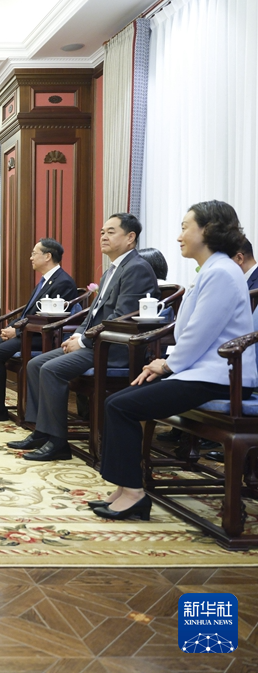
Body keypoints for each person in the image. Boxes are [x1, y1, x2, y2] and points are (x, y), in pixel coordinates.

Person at [90, 201, 256, 520]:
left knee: (121, 407)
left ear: (208, 230)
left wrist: (166, 365)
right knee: (116, 402)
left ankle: (134, 494)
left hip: (221, 379)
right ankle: (125, 488)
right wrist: (167, 365)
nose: (179, 236)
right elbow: (189, 332)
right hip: (202, 374)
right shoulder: (211, 270)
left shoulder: (222, 272)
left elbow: (199, 333)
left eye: (184, 227)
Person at [8, 214, 159, 461]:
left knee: (51, 369)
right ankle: (42, 431)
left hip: (113, 349)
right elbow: (92, 315)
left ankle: (58, 442)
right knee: (35, 364)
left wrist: (83, 341)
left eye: (111, 232)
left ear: (130, 237)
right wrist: (78, 334)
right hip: (95, 344)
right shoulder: (111, 271)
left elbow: (121, 318)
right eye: (102, 232)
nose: (103, 237)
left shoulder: (137, 269)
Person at [0, 238, 77, 422]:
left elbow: (49, 319)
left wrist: (17, 332)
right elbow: (29, 313)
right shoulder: (45, 280)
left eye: (34, 253)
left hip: (40, 336)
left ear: (47, 256)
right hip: (27, 331)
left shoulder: (63, 282)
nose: (31, 257)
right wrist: (12, 327)